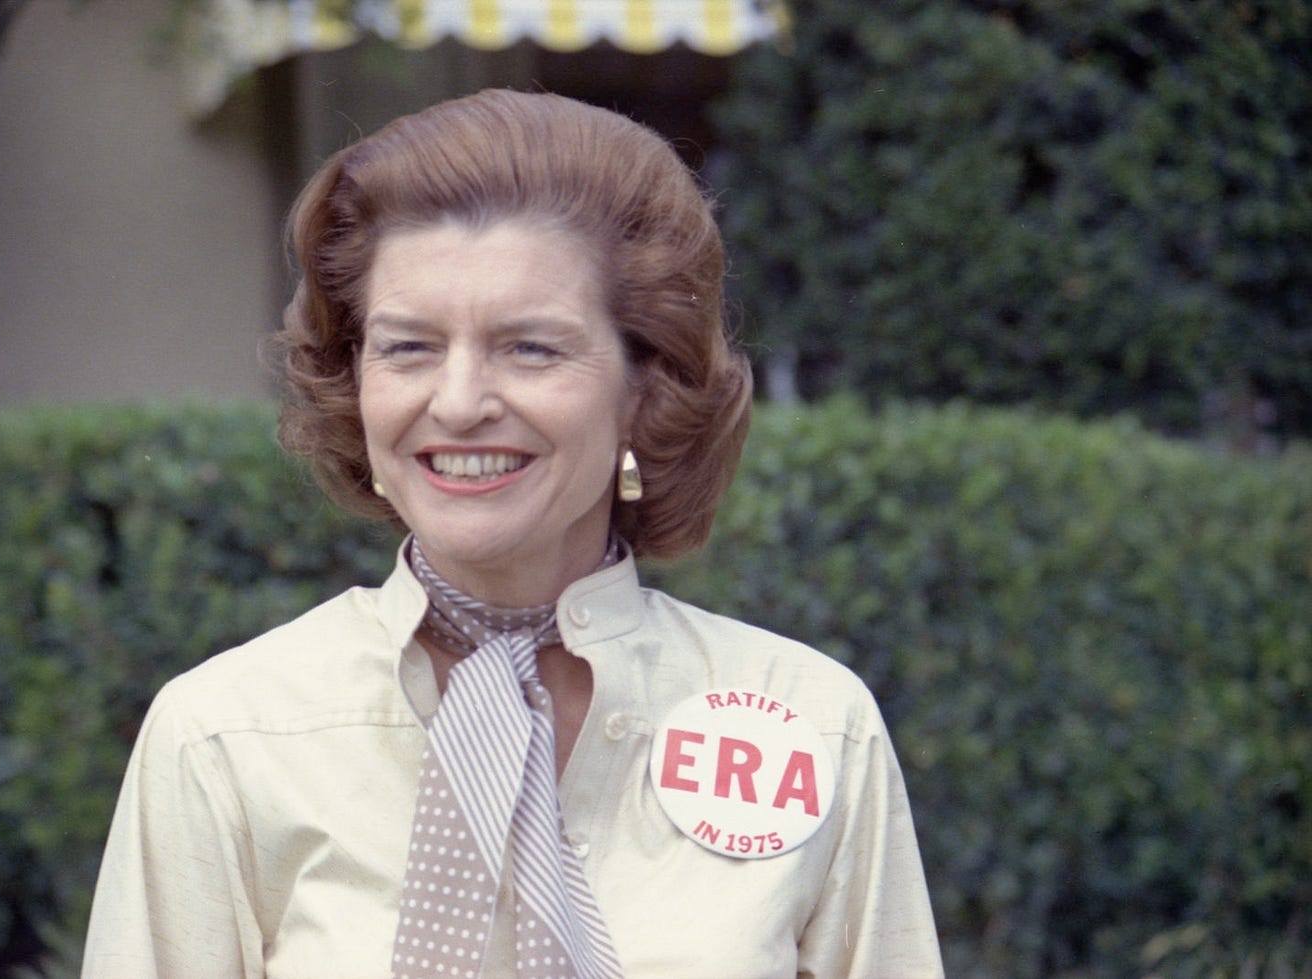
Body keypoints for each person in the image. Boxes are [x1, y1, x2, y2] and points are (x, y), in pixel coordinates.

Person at [82, 89, 942, 978]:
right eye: (408, 347)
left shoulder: (812, 725)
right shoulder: (226, 736)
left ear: (645, 388)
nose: (457, 403)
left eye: (531, 347)